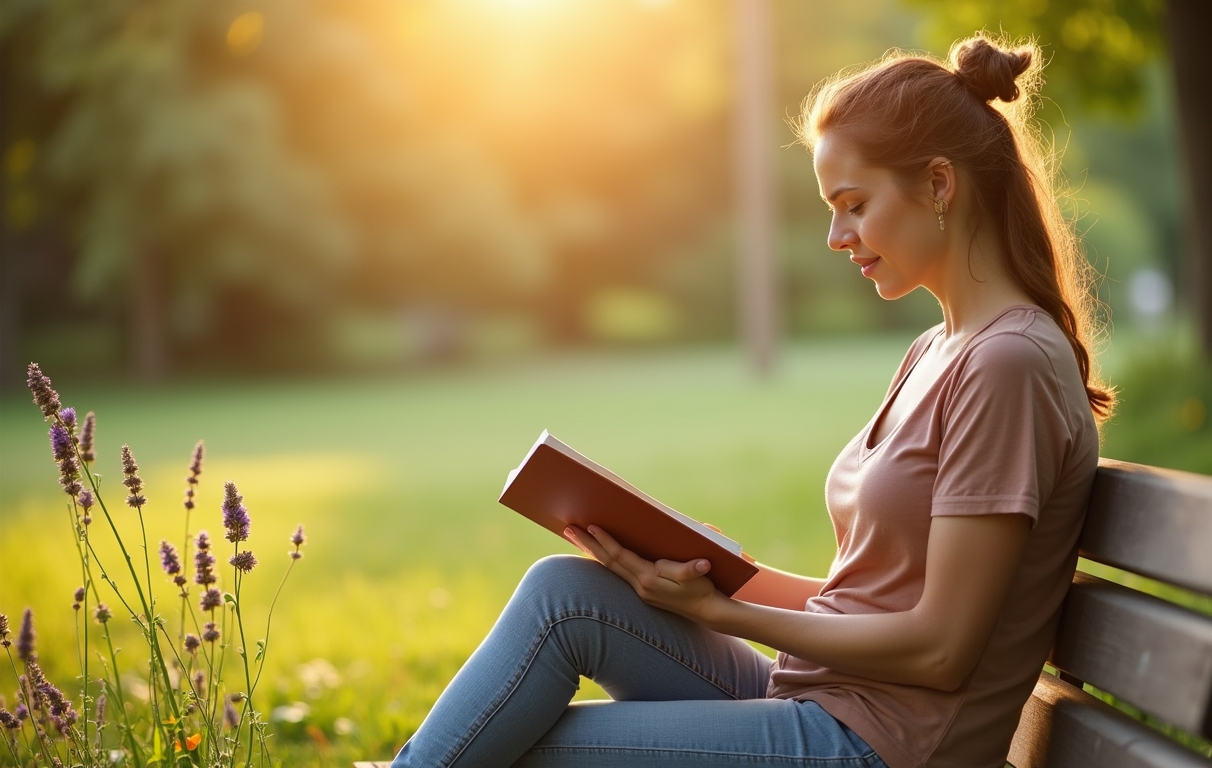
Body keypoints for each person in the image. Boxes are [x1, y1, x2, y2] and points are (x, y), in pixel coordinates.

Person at [392, 33, 1113, 768]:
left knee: (518, 754)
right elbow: (869, 600)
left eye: (854, 205)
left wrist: (726, 612)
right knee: (565, 593)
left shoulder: (1007, 364)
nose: (836, 236)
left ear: (937, 184)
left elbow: (941, 650)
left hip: (886, 746)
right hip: (825, 698)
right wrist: (709, 572)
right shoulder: (938, 349)